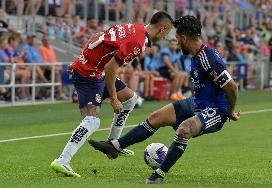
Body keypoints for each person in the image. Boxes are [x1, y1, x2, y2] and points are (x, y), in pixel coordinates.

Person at [88, 15, 240, 184]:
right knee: (156, 117)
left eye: (177, 39)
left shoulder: (207, 58)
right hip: (197, 102)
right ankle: (115, 147)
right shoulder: (197, 55)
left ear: (183, 37)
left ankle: (159, 174)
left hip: (215, 109)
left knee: (184, 129)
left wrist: (229, 111)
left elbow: (232, 87)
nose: (176, 42)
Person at [50, 11, 174, 177]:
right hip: (89, 74)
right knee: (92, 121)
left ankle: (114, 144)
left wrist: (82, 57)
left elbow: (98, 36)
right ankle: (63, 160)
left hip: (96, 70)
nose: (166, 37)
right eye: (167, 32)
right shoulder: (138, 42)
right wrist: (114, 98)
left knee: (131, 99)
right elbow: (110, 67)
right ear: (162, 29)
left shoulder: (133, 27)